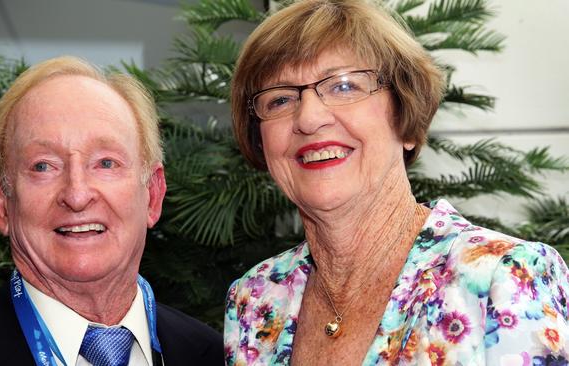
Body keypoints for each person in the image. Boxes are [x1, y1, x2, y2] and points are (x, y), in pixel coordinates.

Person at [224, 1, 569, 365]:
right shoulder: (254, 298)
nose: (308, 118)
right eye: (280, 98)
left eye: (344, 86)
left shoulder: (502, 277)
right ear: (260, 140)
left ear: (405, 118)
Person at [0, 56, 223, 366]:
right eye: (43, 166)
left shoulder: (216, 356)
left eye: (106, 163)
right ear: (1, 202)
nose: (77, 195)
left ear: (153, 195)